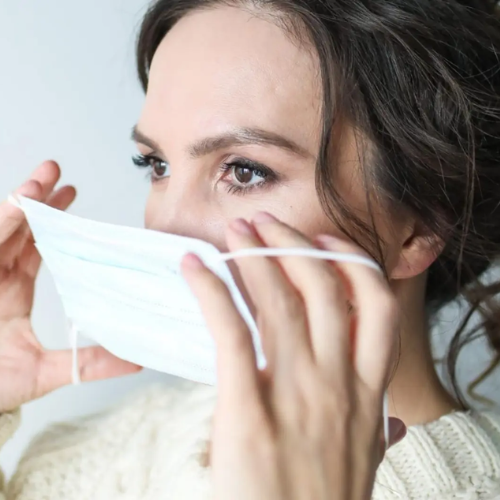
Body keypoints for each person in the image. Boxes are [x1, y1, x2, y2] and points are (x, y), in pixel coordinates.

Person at [1, 0, 500, 498]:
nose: (163, 231)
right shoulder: (101, 455)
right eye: (157, 165)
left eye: (245, 171)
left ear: (420, 227)